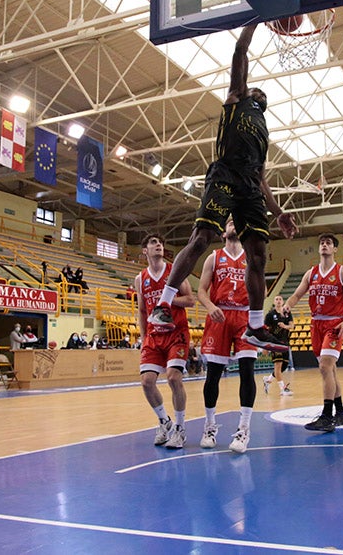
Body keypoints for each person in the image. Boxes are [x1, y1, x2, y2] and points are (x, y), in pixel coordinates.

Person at [145, 24, 298, 351]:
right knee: (202, 238)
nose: (259, 93)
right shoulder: (237, 97)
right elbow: (239, 53)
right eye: (258, 91)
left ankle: (255, 326)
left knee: (258, 256)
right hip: (225, 174)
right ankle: (163, 304)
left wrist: (279, 212)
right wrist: (254, 20)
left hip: (250, 187)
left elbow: (262, 178)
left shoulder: (264, 133)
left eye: (262, 95)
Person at [196, 218, 261, 453]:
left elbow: (259, 288)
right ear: (223, 232)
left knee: (247, 371)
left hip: (244, 316)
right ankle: (210, 426)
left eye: (237, 221)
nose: (233, 224)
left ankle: (244, 430)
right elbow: (201, 290)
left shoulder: (251, 257)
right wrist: (210, 306)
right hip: (219, 315)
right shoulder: (214, 258)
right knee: (213, 375)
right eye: (230, 221)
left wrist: (256, 318)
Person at [284, 233, 343, 433]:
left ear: (335, 249)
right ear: (319, 248)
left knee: (325, 367)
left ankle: (327, 415)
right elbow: (298, 294)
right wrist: (288, 305)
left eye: (329, 243)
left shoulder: (342, 272)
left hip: (334, 324)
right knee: (330, 370)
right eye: (322, 243)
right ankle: (340, 412)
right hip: (316, 324)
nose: (324, 245)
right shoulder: (311, 273)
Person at [136, 233, 195, 449]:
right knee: (147, 382)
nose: (158, 245)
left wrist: (167, 299)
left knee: (173, 378)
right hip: (153, 335)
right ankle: (164, 421)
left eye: (160, 242)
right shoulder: (140, 278)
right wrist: (143, 338)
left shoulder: (174, 271)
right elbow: (142, 310)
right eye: (153, 243)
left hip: (175, 333)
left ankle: (180, 428)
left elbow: (191, 299)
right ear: (145, 251)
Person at [262, 295, 294, 396]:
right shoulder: (270, 315)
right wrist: (265, 346)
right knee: (278, 365)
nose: (279, 301)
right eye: (276, 299)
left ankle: (268, 380)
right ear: (274, 302)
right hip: (275, 343)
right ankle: (283, 389)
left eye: (280, 299)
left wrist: (285, 326)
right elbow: (264, 331)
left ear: (283, 301)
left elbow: (292, 326)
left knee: (283, 367)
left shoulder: (287, 313)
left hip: (285, 343)